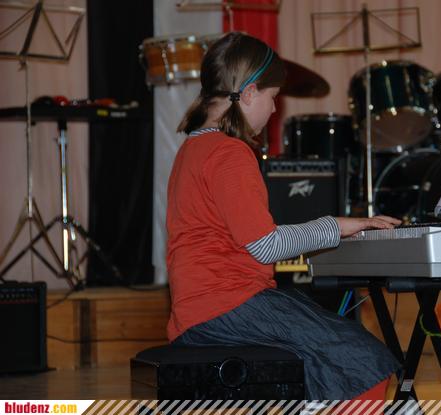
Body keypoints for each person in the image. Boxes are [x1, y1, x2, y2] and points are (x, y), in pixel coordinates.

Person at [166, 32, 401, 402]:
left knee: (331, 356)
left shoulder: (192, 148)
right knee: (363, 363)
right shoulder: (229, 153)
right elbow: (266, 246)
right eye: (273, 97)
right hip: (228, 306)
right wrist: (338, 226)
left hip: (199, 310)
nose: (275, 109)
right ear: (248, 93)